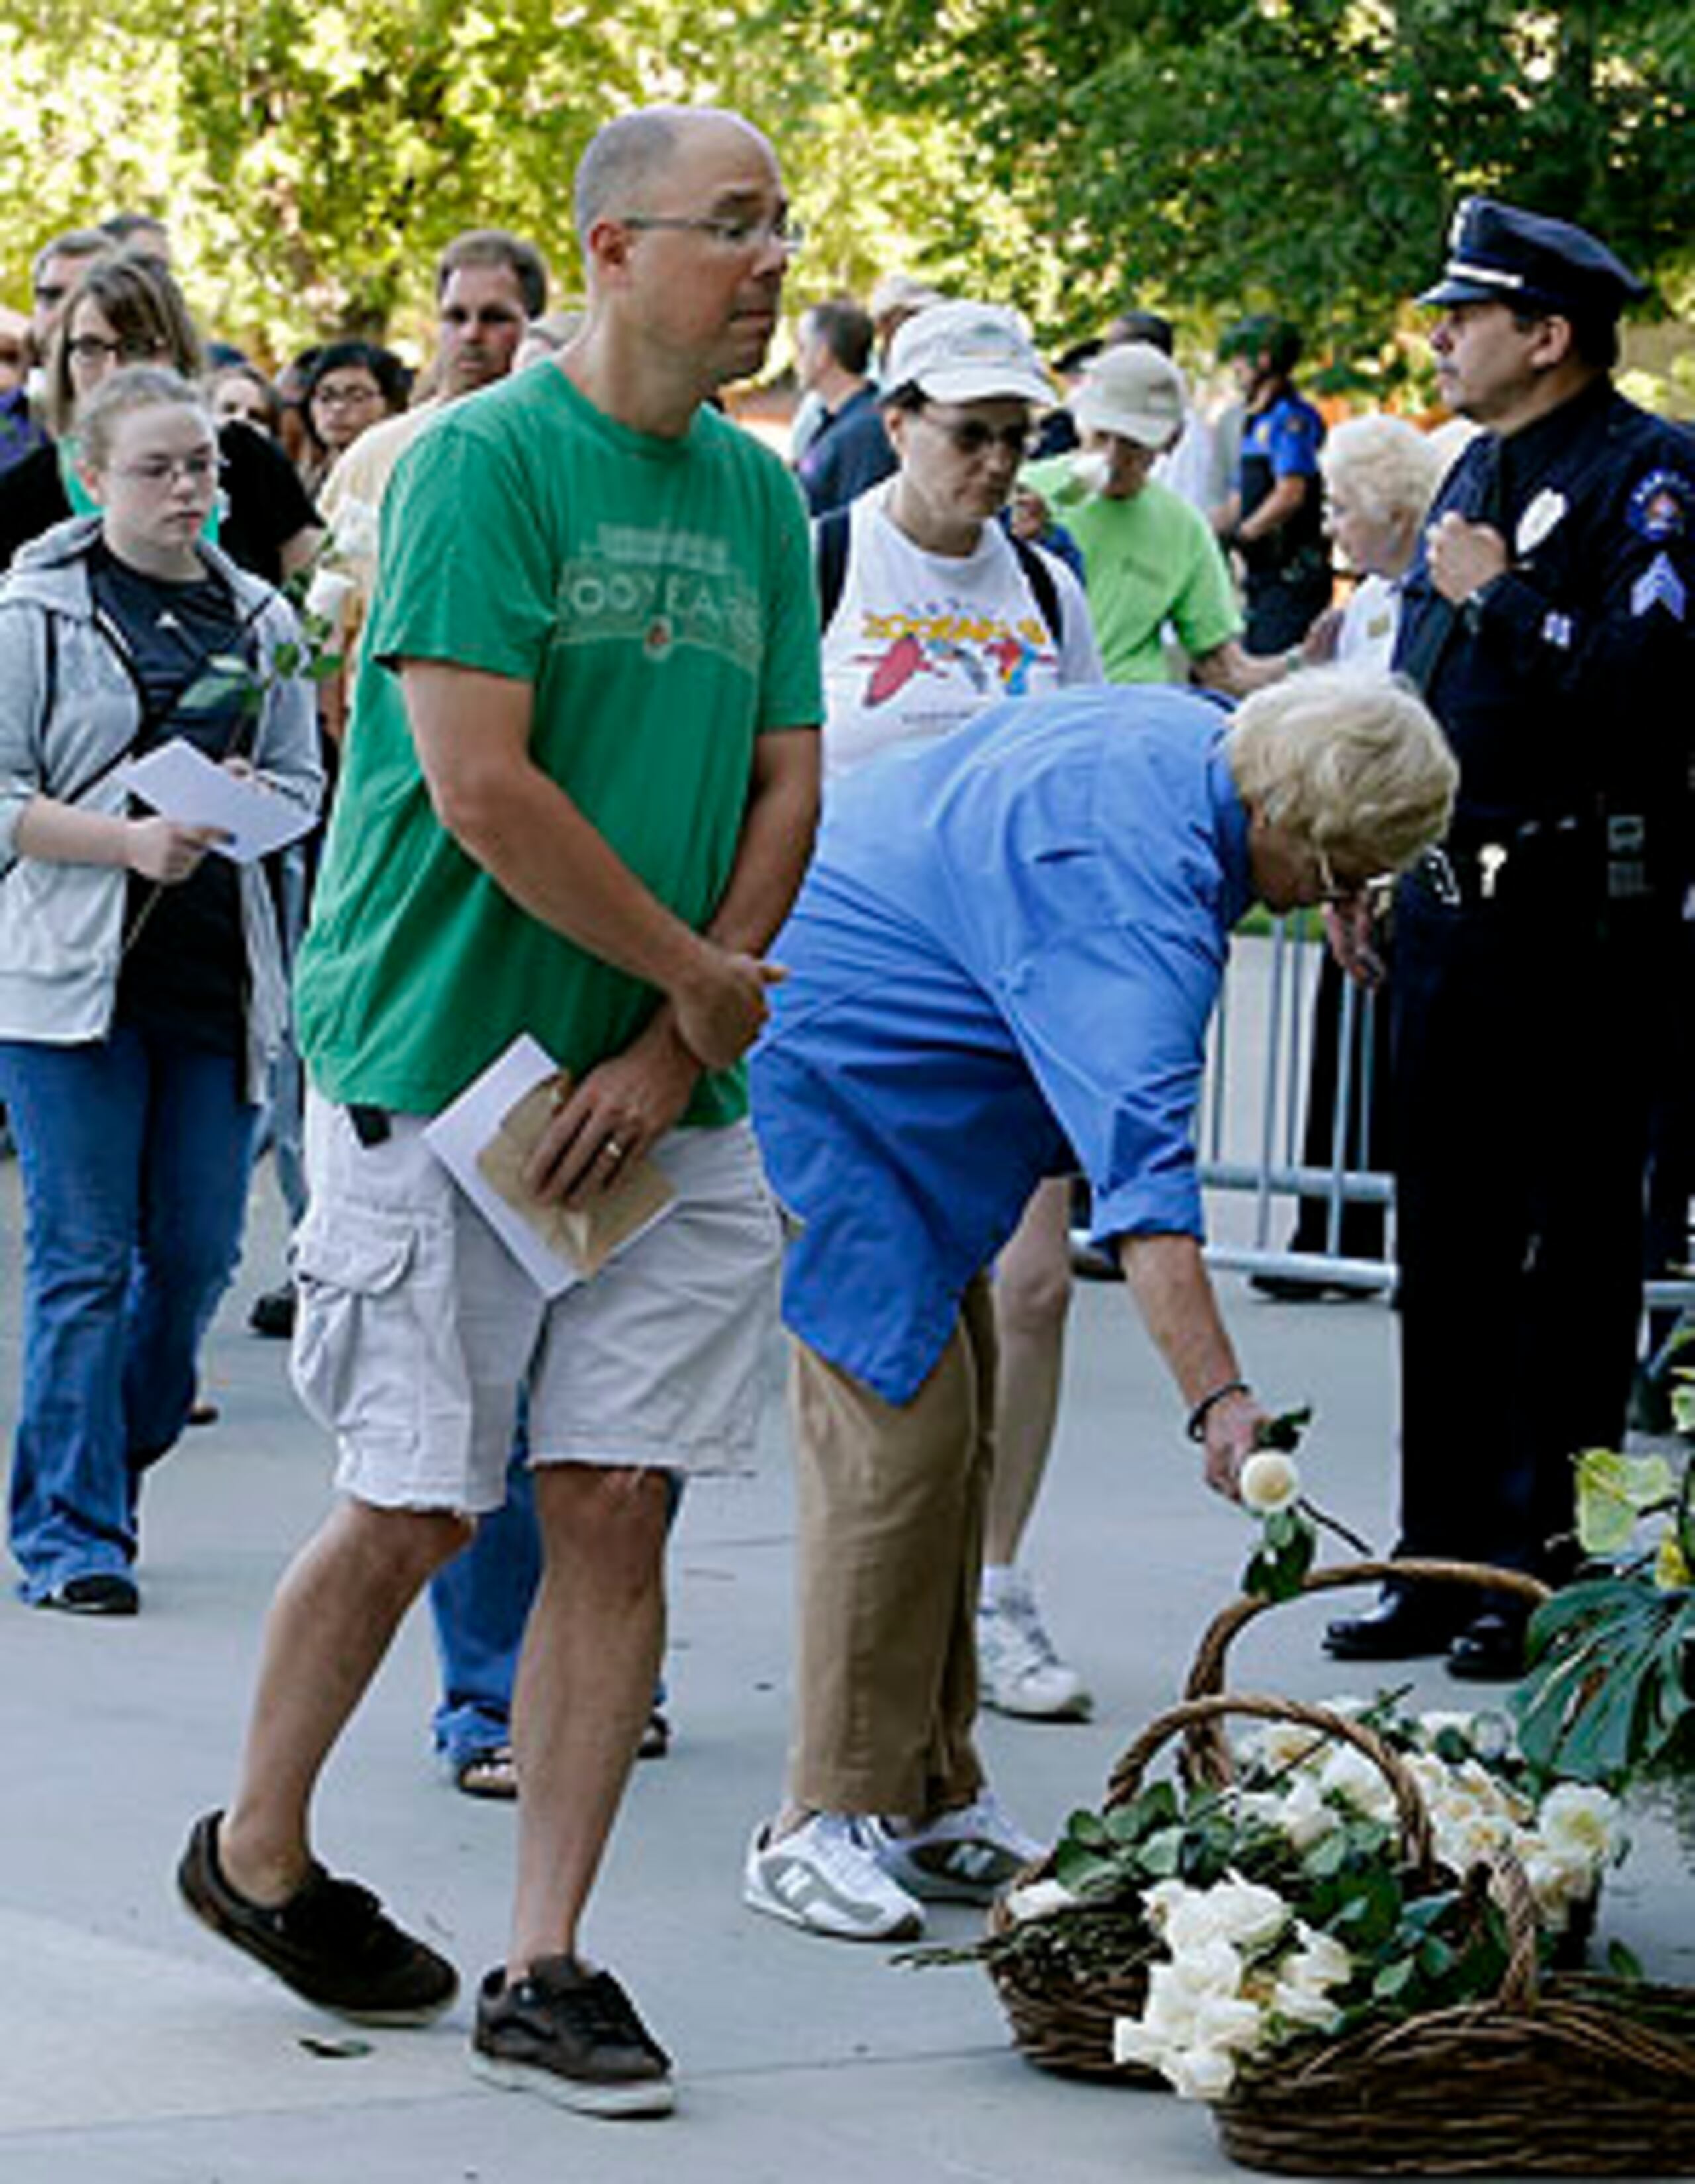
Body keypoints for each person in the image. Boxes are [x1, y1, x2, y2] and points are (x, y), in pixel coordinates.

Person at [176, 103, 820, 2120]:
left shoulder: (764, 499)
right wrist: (694, 980)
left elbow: (787, 778)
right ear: (612, 252)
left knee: (617, 1493)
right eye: (730, 229)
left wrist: (670, 1044)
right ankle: (256, 1853)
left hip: (657, 1098)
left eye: (781, 230)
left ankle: (545, 1957)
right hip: (443, 1077)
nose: (769, 264)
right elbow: (478, 783)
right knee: (420, 1501)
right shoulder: (471, 461)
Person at [742, 666, 1456, 1941]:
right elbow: (1148, 1198)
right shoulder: (1140, 906)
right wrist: (1222, 1405)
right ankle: (819, 1815)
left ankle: (928, 1789)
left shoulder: (1200, 742)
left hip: (894, 1050)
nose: (1343, 899)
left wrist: (1341, 882)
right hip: (844, 1065)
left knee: (954, 1442)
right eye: (1353, 869)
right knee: (895, 1446)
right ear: (1310, 826)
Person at [1323, 198, 1695, 1680]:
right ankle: (1434, 1557)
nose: (1439, 337)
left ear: (1545, 335)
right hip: (1444, 908)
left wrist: (1506, 599)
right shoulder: (1471, 463)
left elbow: (1648, 693)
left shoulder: (1649, 474)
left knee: (1569, 1259)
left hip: (1577, 919)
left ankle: (1535, 1569)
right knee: (1450, 1251)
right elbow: (1413, 681)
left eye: (1463, 315)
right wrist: (1361, 846)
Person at [812, 297, 1105, 1720]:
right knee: (829, 1318)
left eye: (1014, 437)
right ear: (898, 422)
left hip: (1005, 992)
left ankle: (996, 1585)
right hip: (839, 997)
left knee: (1030, 1288)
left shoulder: (1048, 591)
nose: (994, 466)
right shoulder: (822, 560)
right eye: (969, 434)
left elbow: (1086, 771)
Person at [0, 366, 321, 1613]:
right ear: (94, 477)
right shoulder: (34, 614)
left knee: (191, 1257)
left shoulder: (265, 619)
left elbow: (302, 781)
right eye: (159, 467)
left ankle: (106, 1456)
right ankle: (71, 1533)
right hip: (68, 983)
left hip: (217, 976)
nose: (190, 488)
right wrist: (124, 838)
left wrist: (238, 818)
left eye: (204, 466)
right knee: (83, 1254)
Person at [1253, 413, 1447, 1295]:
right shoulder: (1362, 607)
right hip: (1349, 856)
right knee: (1344, 1039)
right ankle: (1332, 1225)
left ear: (1392, 507)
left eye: (1342, 506)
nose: (1330, 524)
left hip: (1418, 856)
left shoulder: (1437, 604)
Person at [0, 253, 322, 581]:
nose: (113, 370)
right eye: (89, 348)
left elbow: (320, 592)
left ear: (178, 353)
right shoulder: (24, 495)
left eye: (136, 347)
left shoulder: (248, 460)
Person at [1019, 344, 1282, 695]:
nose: (1112, 458)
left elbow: (1221, 667)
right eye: (1101, 435)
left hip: (1128, 717)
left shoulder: (1183, 528)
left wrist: (1301, 662)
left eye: (1133, 443)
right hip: (1032, 711)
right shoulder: (1023, 492)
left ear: (1171, 441)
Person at [1213, 315, 1330, 655]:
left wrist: (1246, 534)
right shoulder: (1256, 421)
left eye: (1240, 357)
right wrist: (1204, 534)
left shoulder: (1290, 419)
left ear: (1263, 360)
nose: (1235, 367)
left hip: (1290, 576)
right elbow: (1239, 498)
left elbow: (1290, 493)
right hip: (1261, 576)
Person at [794, 295, 896, 516]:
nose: (796, 359)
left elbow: (856, 526)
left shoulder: (866, 431)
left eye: (801, 347)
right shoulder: (838, 420)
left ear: (823, 354)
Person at [295, 339, 410, 495]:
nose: (338, 407)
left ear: (392, 405)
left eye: (357, 396)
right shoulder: (303, 482)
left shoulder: (404, 480)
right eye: (326, 396)